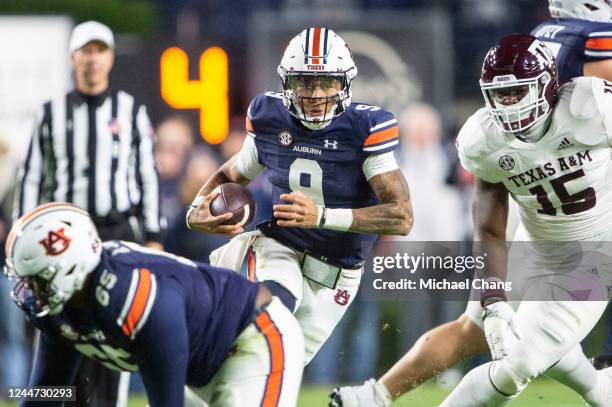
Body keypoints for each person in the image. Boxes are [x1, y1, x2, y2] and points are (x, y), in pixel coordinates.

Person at [330, 1, 612, 404]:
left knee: (516, 363)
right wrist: (494, 297)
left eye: (519, 91)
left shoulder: (592, 106)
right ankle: (375, 395)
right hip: (533, 238)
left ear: (547, 86)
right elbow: (490, 220)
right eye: (501, 95)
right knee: (477, 326)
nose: (511, 105)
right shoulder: (485, 138)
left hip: (595, 255)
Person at [187, 27, 413, 365]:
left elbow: (401, 216)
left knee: (274, 366)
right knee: (273, 311)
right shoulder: (269, 116)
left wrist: (322, 216)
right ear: (288, 83)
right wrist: (197, 211)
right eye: (305, 82)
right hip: (281, 246)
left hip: (338, 273)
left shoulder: (366, 128)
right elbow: (230, 174)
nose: (316, 93)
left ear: (345, 83)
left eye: (327, 82)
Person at [5, 202, 303, 407]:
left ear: (69, 269)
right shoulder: (62, 309)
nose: (29, 291)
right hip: (198, 363)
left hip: (253, 339)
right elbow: (45, 395)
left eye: (37, 280)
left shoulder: (134, 296)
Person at [13, 21, 163, 407]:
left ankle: (107, 404)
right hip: (62, 233)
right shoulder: (50, 113)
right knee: (59, 325)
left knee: (114, 327)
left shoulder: (130, 110)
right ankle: (58, 400)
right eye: (85, 51)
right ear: (73, 57)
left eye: (99, 50)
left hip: (116, 229)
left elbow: (146, 174)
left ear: (110, 57)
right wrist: (19, 239)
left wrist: (153, 235)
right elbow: (31, 178)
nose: (92, 59)